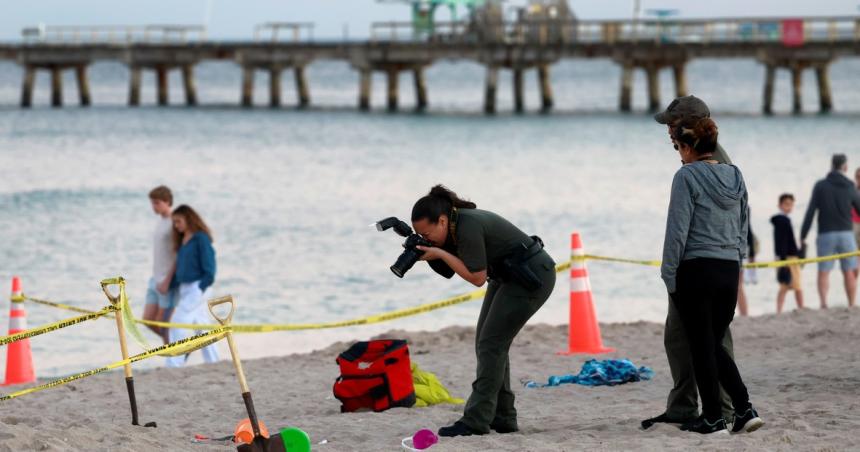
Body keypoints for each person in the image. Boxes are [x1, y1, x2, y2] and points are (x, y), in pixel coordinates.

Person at [407, 185, 556, 438]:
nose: (425, 238)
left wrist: (440, 252)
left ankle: (476, 421)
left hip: (532, 276)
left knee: (491, 344)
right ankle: (504, 417)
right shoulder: (453, 226)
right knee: (487, 344)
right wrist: (430, 252)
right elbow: (451, 269)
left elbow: (476, 277)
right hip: (507, 276)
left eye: (427, 233)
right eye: (419, 234)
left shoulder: (467, 225)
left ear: (442, 221)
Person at [661, 116, 763, 435]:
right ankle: (740, 411)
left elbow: (677, 232)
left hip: (697, 270)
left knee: (703, 345)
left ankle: (717, 416)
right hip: (728, 269)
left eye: (678, 146)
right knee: (712, 344)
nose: (678, 153)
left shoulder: (686, 176)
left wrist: (668, 274)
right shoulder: (735, 174)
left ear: (690, 147)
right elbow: (743, 224)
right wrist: (738, 263)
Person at [642, 95, 736, 430]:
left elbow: (708, 222)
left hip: (701, 269)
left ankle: (724, 409)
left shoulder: (710, 164)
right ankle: (683, 406)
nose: (667, 130)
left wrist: (671, 272)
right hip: (696, 265)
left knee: (713, 338)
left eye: (671, 124)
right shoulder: (692, 158)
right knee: (678, 336)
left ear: (689, 125)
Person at [800, 154, 860, 309]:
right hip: (847, 234)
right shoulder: (850, 186)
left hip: (826, 234)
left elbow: (811, 211)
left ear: (831, 166)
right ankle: (852, 304)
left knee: (824, 271)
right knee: (849, 272)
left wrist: (803, 235)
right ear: (845, 167)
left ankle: (824, 304)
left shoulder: (820, 185)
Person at [165, 204, 219, 367]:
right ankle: (214, 362)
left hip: (198, 287)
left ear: (188, 219)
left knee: (177, 322)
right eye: (174, 222)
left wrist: (201, 287)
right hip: (185, 288)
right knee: (201, 326)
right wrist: (170, 285)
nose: (176, 225)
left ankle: (175, 363)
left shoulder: (200, 238)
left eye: (179, 221)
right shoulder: (183, 242)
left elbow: (209, 266)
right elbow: (183, 268)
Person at [143, 186, 177, 343]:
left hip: (166, 280)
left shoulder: (174, 222)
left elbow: (179, 254)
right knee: (148, 320)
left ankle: (174, 355)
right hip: (155, 278)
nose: (153, 207)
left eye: (157, 203)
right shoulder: (161, 222)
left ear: (167, 202)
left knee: (163, 323)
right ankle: (177, 347)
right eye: (152, 203)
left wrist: (168, 281)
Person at [771, 194, 805, 313]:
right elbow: (783, 241)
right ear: (780, 205)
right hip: (788, 258)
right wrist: (784, 259)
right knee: (797, 285)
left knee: (784, 286)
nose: (789, 207)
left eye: (791, 204)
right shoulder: (783, 221)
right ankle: (801, 308)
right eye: (786, 204)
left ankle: (779, 310)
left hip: (784, 257)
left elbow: (782, 241)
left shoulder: (781, 221)